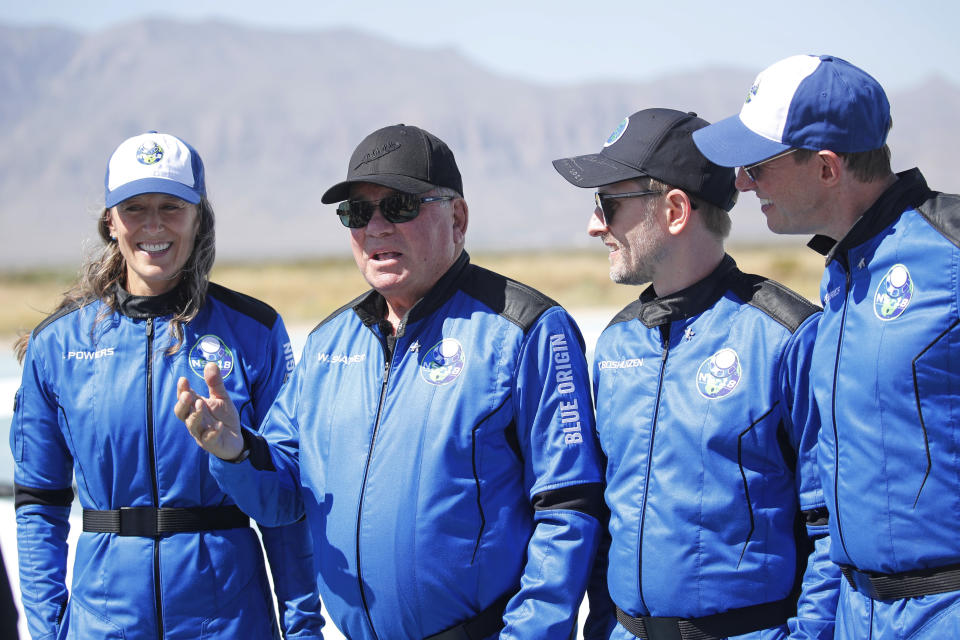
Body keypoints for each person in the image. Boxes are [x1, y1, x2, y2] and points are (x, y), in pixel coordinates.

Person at [175, 123, 607, 639]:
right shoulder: (329, 343)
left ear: (458, 217)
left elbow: (569, 509)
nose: (376, 227)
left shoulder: (524, 330)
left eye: (400, 205)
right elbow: (286, 494)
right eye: (357, 212)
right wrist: (236, 452)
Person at [10, 131, 325, 639]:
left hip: (229, 624)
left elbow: (288, 502)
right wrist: (49, 630)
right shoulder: (58, 344)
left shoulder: (253, 331)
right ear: (110, 222)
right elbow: (39, 504)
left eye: (171, 207)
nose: (153, 225)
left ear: (199, 218)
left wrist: (303, 628)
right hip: (103, 624)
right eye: (134, 208)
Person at [692, 54, 960, 639]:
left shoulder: (950, 252)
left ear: (827, 167)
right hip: (857, 613)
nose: (740, 182)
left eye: (757, 165)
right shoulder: (842, 270)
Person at [553, 108, 839, 639]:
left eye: (609, 204)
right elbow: (603, 517)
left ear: (676, 210)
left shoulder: (788, 338)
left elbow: (831, 527)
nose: (595, 225)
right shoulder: (616, 341)